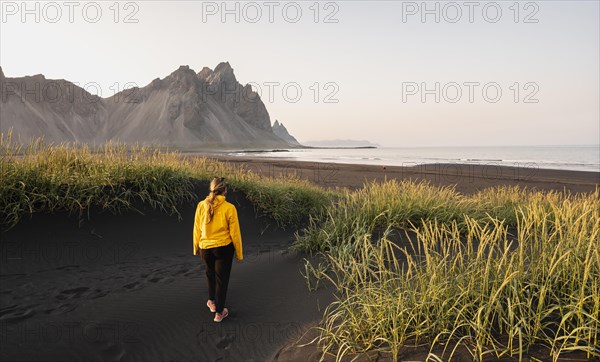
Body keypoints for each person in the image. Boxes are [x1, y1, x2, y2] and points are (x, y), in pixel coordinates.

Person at [193, 177, 243, 322]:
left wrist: (196, 247)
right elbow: (235, 233)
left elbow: (196, 229)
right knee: (222, 280)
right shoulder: (229, 208)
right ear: (224, 190)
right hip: (223, 249)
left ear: (212, 189)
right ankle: (219, 313)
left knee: (210, 274)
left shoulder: (201, 205)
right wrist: (239, 253)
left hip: (205, 248)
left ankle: (212, 303)